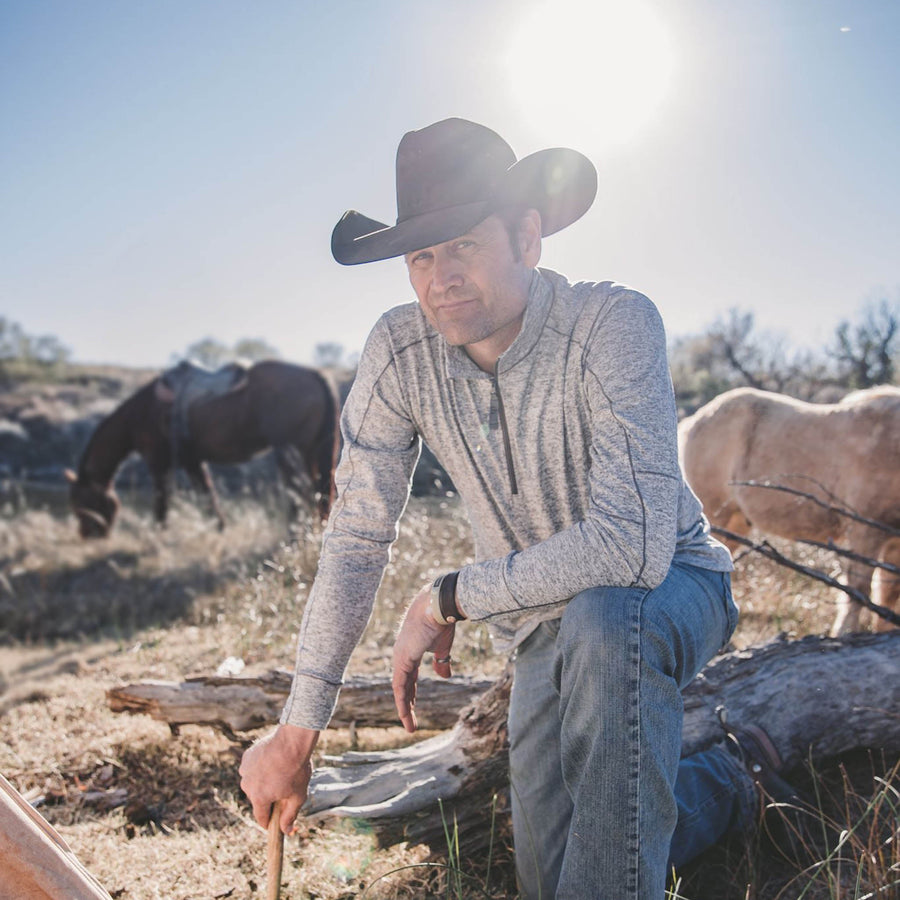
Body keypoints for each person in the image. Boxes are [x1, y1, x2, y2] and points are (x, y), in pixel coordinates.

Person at [239, 117, 794, 899]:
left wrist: (447, 597)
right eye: (420, 256)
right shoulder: (398, 355)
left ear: (527, 236)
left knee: (608, 623)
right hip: (539, 625)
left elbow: (628, 548)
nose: (440, 278)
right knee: (555, 873)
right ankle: (731, 786)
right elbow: (357, 534)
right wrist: (298, 731)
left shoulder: (613, 323)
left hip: (671, 588)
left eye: (463, 244)